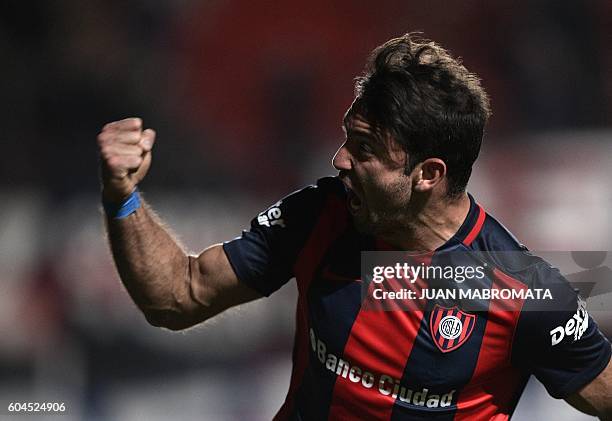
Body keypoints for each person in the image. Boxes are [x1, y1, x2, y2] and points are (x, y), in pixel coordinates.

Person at [97, 34, 612, 420]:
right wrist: (123, 197)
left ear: (428, 174)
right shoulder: (320, 216)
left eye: (364, 149)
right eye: (348, 137)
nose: (339, 158)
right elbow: (177, 295)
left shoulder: (524, 290)